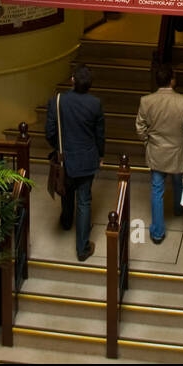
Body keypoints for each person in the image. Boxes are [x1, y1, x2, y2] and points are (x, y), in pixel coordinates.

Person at [45, 64, 105, 262]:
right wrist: (100, 154)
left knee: (66, 189)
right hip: (87, 158)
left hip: (66, 157)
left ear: (72, 80)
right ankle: (82, 248)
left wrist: (60, 147)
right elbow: (99, 135)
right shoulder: (95, 104)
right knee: (84, 201)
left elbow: (50, 132)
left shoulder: (57, 101)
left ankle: (66, 221)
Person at [135, 62, 183, 244]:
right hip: (177, 151)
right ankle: (179, 208)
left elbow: (140, 127)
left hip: (156, 151)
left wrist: (148, 142)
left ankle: (157, 232)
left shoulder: (146, 101)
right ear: (172, 81)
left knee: (157, 189)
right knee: (178, 180)